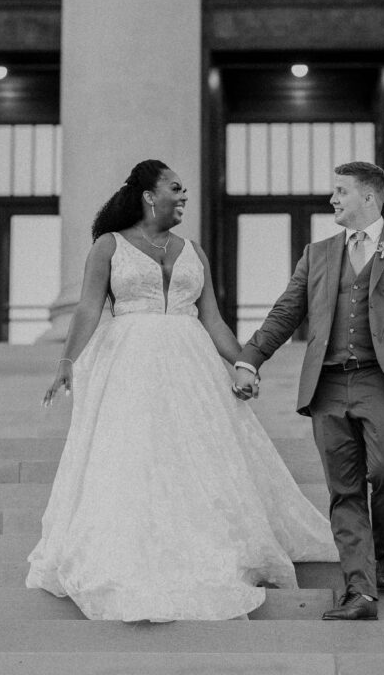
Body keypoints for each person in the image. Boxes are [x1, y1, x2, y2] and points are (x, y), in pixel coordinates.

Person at [26, 159, 335, 622]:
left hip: (191, 366)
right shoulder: (107, 247)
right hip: (130, 364)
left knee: (196, 453)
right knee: (137, 455)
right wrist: (67, 361)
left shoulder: (193, 250)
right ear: (150, 195)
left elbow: (211, 319)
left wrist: (244, 361)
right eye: (176, 188)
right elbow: (89, 308)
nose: (184, 196)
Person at [234, 161, 384, 620]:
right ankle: (360, 592)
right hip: (329, 385)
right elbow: (285, 313)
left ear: (368, 198)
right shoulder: (318, 253)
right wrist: (249, 359)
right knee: (344, 489)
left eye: (341, 191)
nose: (333, 199)